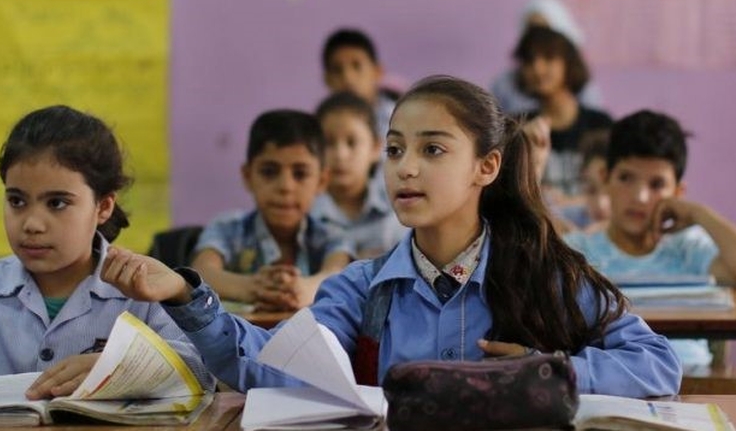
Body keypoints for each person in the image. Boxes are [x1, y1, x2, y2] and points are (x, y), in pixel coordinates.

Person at [102, 76, 681, 398]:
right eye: (396, 148)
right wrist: (185, 295)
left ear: (487, 166)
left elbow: (656, 363)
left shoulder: (543, 274)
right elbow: (274, 366)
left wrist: (550, 370)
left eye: (432, 149)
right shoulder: (362, 289)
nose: (405, 167)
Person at [0, 105, 213, 410]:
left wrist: (123, 370)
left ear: (103, 207)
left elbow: (201, 366)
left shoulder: (140, 288)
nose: (32, 224)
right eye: (17, 201)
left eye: (57, 203)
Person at [564, 110, 736, 368]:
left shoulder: (688, 247)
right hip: (613, 385)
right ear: (605, 178)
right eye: (626, 178)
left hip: (691, 385)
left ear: (677, 193)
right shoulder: (577, 253)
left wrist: (699, 214)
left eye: (656, 184)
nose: (640, 197)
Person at [189, 109, 354, 312]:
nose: (285, 186)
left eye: (300, 174)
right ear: (248, 176)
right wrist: (254, 287)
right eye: (269, 172)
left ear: (321, 181)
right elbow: (202, 272)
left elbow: (336, 273)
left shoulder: (332, 234)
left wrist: (303, 289)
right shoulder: (228, 227)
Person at [516, 25, 613, 200]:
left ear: (569, 64)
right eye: (529, 61)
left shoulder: (600, 124)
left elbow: (613, 189)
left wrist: (567, 203)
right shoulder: (518, 126)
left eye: (549, 58)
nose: (537, 68)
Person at [311, 92, 407, 258]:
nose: (340, 155)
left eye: (352, 142)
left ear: (376, 148)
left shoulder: (399, 205)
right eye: (328, 143)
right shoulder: (305, 213)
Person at [491, 0, 603, 115]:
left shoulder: (591, 107)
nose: (538, 68)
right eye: (531, 30)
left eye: (549, 57)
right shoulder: (505, 85)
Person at [322, 28, 396, 140]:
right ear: (327, 79)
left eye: (357, 66)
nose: (348, 78)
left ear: (377, 72)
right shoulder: (319, 127)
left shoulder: (403, 120)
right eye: (337, 70)